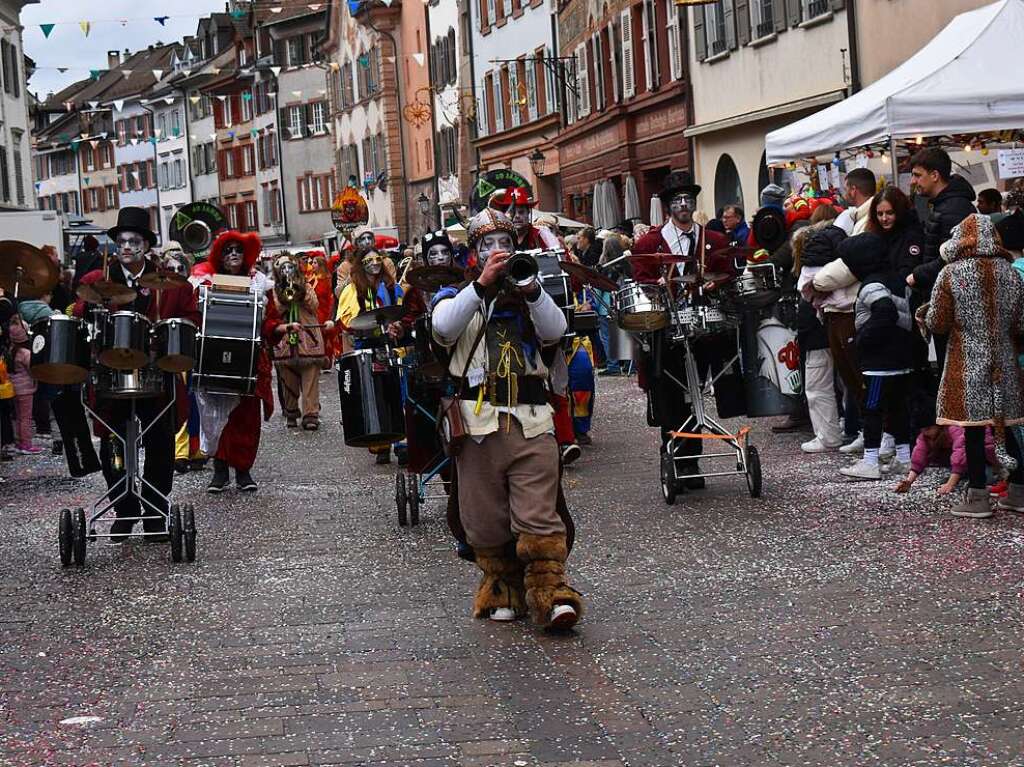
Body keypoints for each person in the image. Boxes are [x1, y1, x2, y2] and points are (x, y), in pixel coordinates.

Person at [431, 208, 582, 630]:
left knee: (539, 515)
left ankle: (552, 594)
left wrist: (532, 290)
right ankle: (502, 587)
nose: (498, 252)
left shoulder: (528, 290)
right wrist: (481, 286)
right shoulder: (455, 294)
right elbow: (443, 329)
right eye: (488, 246)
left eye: (505, 244)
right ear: (474, 253)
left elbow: (555, 330)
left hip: (531, 418)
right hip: (478, 424)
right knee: (485, 520)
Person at [77, 206, 200, 540]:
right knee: (113, 444)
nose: (126, 247)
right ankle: (124, 507)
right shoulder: (96, 281)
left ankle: (155, 511)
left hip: (157, 374)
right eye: (121, 241)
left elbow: (191, 318)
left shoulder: (171, 283)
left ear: (147, 245)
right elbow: (79, 320)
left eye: (133, 241)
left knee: (160, 441)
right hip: (110, 375)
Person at [632, 171, 734, 485]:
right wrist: (657, 284)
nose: (683, 204)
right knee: (671, 395)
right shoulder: (650, 242)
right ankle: (678, 460)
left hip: (703, 326)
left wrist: (716, 286)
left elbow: (726, 273)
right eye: (677, 200)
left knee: (696, 393)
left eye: (688, 199)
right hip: (667, 329)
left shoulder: (713, 240)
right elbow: (639, 278)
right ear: (667, 206)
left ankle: (693, 461)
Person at [924, 215, 1024, 518]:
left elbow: (937, 323)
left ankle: (977, 496)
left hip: (966, 362)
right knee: (1007, 425)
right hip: (1005, 361)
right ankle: (1019, 491)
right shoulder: (1010, 273)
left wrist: (925, 315)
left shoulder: (951, 273)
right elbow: (1021, 323)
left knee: (974, 430)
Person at [191, 231, 274, 493]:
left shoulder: (259, 283)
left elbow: (270, 320)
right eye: (228, 251)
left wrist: (280, 329)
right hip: (215, 357)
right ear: (220, 256)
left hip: (247, 359)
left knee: (246, 418)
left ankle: (243, 471)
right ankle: (219, 470)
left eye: (238, 250)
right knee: (215, 415)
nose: (234, 254)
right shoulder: (206, 283)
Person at [828, 231, 915, 481]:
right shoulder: (897, 279)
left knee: (872, 409)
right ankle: (904, 457)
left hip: (878, 363)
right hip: (901, 359)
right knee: (898, 409)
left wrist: (861, 340)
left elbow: (884, 312)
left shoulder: (871, 285)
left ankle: (870, 462)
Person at [337, 248, 404, 463]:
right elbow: (349, 321)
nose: (374, 263)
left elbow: (401, 310)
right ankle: (380, 442)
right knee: (376, 394)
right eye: (369, 260)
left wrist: (397, 325)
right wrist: (371, 327)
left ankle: (403, 443)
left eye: (378, 259)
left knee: (399, 393)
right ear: (361, 264)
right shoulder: (354, 288)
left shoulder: (392, 286)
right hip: (367, 345)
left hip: (391, 345)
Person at [265, 253, 328, 432]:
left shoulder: (306, 285)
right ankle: (291, 412)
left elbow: (314, 305)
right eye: (283, 268)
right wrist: (284, 295)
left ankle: (311, 414)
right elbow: (274, 311)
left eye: (290, 267)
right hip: (285, 340)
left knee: (310, 380)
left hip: (308, 338)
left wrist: (301, 290)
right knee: (288, 380)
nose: (287, 271)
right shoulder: (274, 290)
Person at [908, 147, 977, 297]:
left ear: (934, 175)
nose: (913, 181)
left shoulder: (956, 208)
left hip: (951, 299)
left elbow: (954, 257)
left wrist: (918, 274)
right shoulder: (943, 204)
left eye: (917, 175)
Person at [895, 424, 999, 496]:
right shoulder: (926, 435)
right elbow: (919, 455)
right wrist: (908, 481)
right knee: (958, 476)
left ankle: (994, 474)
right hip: (966, 461)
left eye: (927, 428)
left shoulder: (954, 427)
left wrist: (950, 484)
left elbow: (961, 451)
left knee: (985, 478)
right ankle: (963, 475)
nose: (924, 431)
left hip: (985, 458)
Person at [6, 319, 40, 455]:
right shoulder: (26, 353)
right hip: (26, 390)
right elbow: (33, 370)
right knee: (26, 418)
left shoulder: (10, 351)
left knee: (19, 417)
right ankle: (26, 444)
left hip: (13, 389)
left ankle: (19, 442)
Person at [491, 187, 560, 251]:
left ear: (528, 213)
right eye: (513, 212)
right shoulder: (497, 238)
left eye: (521, 212)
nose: (517, 216)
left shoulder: (542, 235)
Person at [834, 168, 877, 236]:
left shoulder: (868, 221)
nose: (844, 195)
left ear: (853, 190)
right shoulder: (868, 214)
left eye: (845, 190)